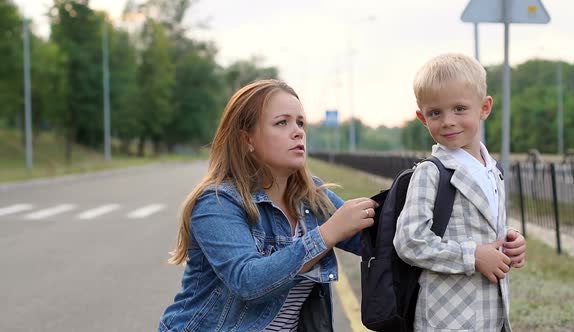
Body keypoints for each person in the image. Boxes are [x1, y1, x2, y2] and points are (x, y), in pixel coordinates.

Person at [158, 79, 377, 332]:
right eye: (281, 123)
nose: (298, 132)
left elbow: (379, 241)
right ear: (247, 139)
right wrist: (327, 234)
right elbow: (249, 281)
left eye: (300, 122)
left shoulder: (311, 197)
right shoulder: (217, 203)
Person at [393, 53, 527, 332]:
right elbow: (409, 241)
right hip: (447, 319)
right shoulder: (432, 172)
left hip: (492, 316)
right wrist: (473, 257)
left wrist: (511, 240)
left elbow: (482, 228)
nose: (448, 121)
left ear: (485, 108)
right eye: (435, 113)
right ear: (422, 117)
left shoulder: (493, 169)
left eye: (459, 109)